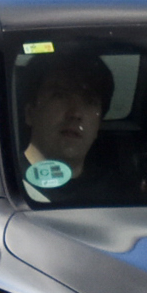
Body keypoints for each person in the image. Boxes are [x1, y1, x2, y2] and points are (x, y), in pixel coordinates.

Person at [18, 52, 114, 202]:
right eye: (60, 96)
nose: (75, 113)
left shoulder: (117, 196)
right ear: (30, 113)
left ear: (98, 125)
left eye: (89, 101)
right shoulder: (5, 183)